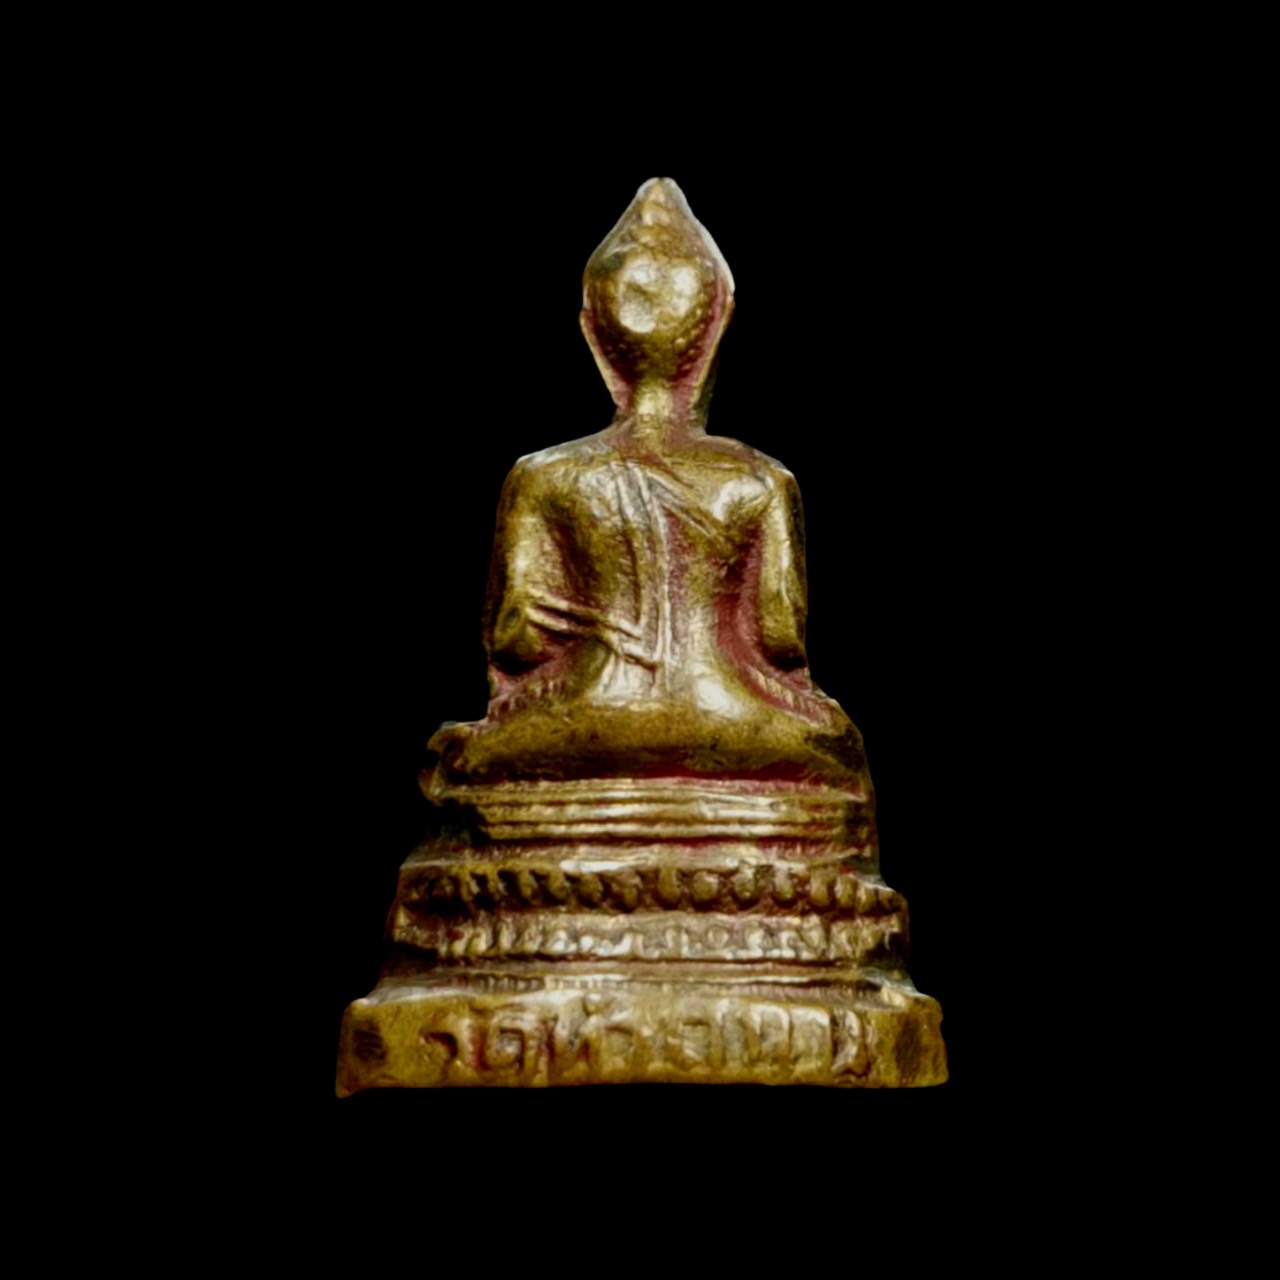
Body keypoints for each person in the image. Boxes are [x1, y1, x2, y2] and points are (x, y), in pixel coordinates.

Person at [429, 179, 866, 789]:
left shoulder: (543, 475)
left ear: (592, 331)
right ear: (718, 327)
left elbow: (517, 642)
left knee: (460, 759)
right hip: (728, 716)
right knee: (837, 752)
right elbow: (779, 639)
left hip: (588, 715)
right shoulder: (759, 479)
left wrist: (588, 629)